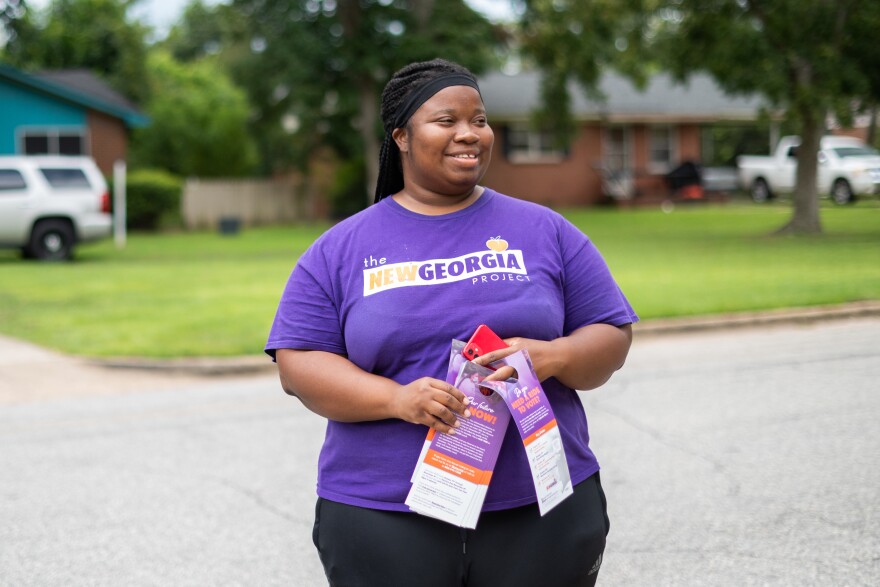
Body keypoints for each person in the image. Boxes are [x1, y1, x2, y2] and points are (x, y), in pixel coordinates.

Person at [265, 58, 638, 587]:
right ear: (401, 136)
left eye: (479, 120)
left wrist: (551, 357)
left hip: (540, 509)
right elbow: (298, 364)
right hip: (384, 517)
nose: (469, 134)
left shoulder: (545, 230)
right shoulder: (341, 249)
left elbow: (610, 331)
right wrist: (397, 400)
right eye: (447, 120)